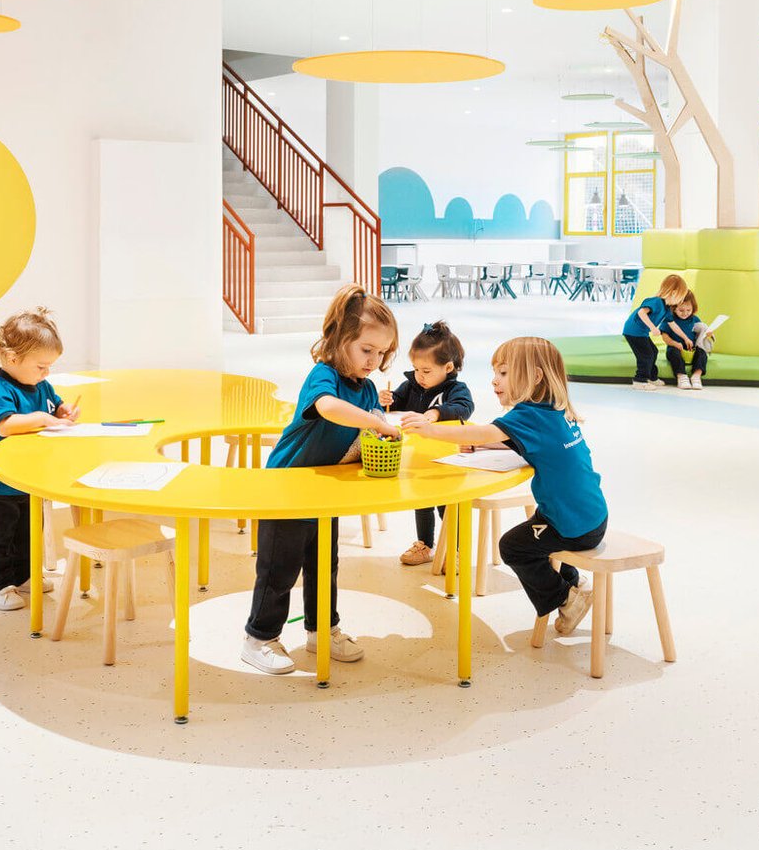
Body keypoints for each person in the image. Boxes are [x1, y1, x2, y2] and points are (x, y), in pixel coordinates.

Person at [241, 286, 400, 676]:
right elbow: (328, 408)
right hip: (286, 491)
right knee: (278, 570)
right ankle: (259, 639)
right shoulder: (323, 376)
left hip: (323, 494)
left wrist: (380, 426)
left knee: (323, 566)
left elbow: (364, 432)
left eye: (382, 353)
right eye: (366, 349)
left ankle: (322, 631)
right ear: (340, 339)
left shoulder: (366, 389)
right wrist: (375, 421)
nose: (374, 361)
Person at [401, 337, 608, 637]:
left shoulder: (528, 415)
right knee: (534, 532)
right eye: (495, 372)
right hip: (592, 514)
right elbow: (519, 440)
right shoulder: (552, 409)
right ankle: (574, 582)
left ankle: (567, 598)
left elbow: (484, 432)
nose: (494, 380)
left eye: (504, 373)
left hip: (570, 524)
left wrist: (430, 430)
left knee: (513, 546)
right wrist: (484, 444)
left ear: (535, 376)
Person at [0, 309, 80, 612]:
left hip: (28, 480)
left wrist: (63, 411)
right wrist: (42, 418)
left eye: (49, 367)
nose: (46, 374)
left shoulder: (41, 385)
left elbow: (54, 405)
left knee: (27, 534)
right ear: (12, 358)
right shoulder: (0, 390)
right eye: (41, 366)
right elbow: (4, 426)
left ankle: (22, 576)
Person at [379, 321, 476, 567]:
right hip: (418, 458)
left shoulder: (456, 389)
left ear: (448, 367)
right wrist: (386, 400)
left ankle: (455, 550)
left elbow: (464, 407)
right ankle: (425, 545)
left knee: (447, 506)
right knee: (421, 503)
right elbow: (397, 404)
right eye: (415, 369)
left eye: (426, 370)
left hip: (447, 461)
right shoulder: (411, 385)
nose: (419, 376)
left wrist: (435, 413)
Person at [622, 273, 690, 391]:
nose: (681, 300)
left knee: (653, 351)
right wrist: (653, 328)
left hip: (641, 333)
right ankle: (640, 380)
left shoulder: (667, 309)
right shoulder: (656, 301)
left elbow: (673, 326)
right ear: (674, 293)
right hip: (633, 331)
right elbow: (641, 312)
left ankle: (652, 377)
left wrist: (686, 338)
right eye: (681, 297)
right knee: (646, 355)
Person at [659, 285, 713, 391]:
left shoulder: (695, 319)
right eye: (681, 310)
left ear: (693, 308)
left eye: (688, 310)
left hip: (691, 350)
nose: (685, 313)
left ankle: (696, 376)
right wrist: (675, 343)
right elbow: (665, 337)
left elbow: (701, 333)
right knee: (673, 353)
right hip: (676, 348)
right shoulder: (670, 319)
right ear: (674, 308)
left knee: (702, 352)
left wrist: (708, 334)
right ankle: (681, 376)